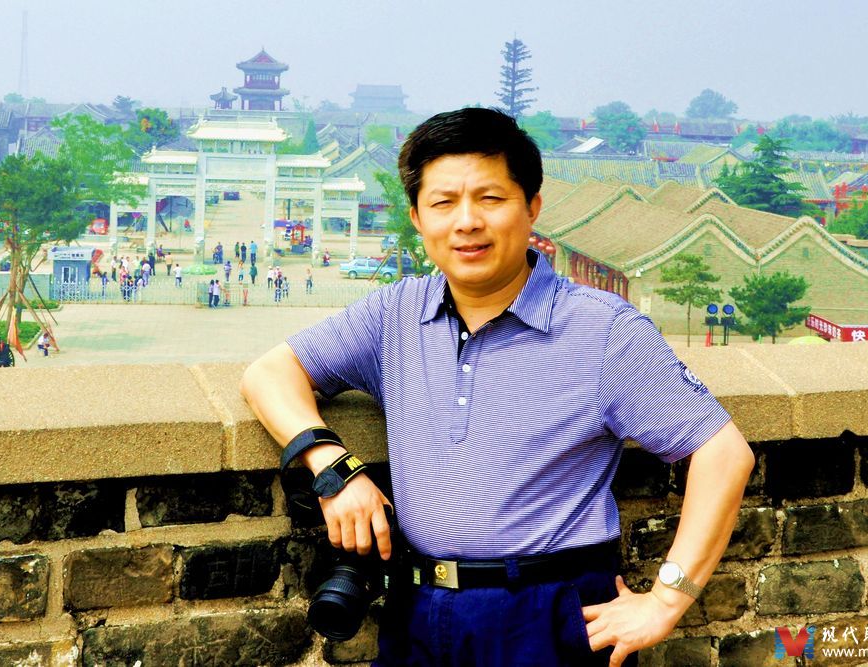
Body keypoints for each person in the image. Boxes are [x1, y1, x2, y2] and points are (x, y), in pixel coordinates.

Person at [240, 108, 754, 666]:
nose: (466, 222)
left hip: (547, 614)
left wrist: (667, 600)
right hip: (419, 611)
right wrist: (334, 468)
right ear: (417, 217)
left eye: (490, 198)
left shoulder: (603, 329)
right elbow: (269, 374)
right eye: (443, 203)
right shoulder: (395, 314)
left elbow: (723, 454)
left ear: (532, 207)